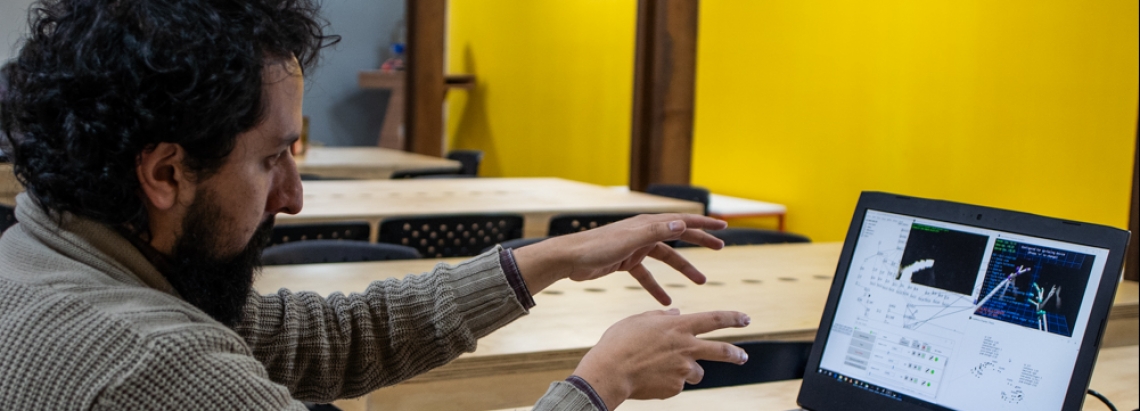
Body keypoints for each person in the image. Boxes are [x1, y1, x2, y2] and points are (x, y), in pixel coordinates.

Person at [0, 0, 750, 410]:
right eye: (270, 159)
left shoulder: (63, 253)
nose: (293, 197)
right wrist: (599, 384)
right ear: (165, 172)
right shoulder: (148, 363)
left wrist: (546, 257)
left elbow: (327, 336)